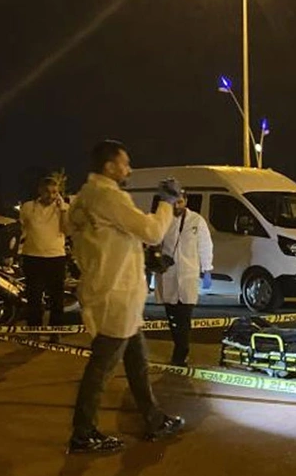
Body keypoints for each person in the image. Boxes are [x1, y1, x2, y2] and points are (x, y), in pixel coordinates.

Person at [66, 140, 185, 454]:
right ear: (109, 166)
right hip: (115, 294)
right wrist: (166, 202)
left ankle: (154, 418)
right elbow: (152, 232)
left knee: (137, 362)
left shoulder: (82, 199)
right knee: (102, 366)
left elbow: (104, 238)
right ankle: (83, 433)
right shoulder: (108, 197)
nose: (129, 169)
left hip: (107, 289)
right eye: (125, 163)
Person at [153, 196, 214, 366]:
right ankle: (179, 348)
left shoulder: (196, 220)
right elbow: (154, 241)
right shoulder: (164, 221)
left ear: (186, 201)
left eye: (180, 201)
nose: (177, 205)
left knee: (184, 317)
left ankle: (181, 352)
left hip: (188, 275)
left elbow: (205, 245)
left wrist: (207, 269)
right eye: (174, 202)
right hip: (169, 275)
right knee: (172, 317)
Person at [18, 175, 70, 328]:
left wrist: (63, 211)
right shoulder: (28, 207)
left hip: (56, 257)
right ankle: (34, 329)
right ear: (40, 191)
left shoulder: (63, 208)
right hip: (33, 257)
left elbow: (67, 230)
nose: (51, 196)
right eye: (47, 192)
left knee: (57, 298)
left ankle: (56, 330)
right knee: (33, 297)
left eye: (55, 192)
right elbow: (21, 229)